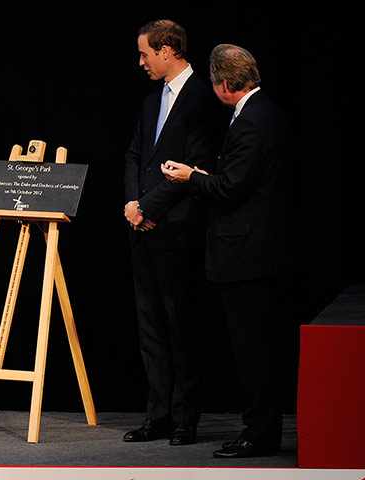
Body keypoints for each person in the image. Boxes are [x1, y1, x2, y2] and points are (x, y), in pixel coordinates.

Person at [162, 44, 292, 458]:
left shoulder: (253, 121)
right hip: (255, 251)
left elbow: (232, 187)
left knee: (253, 351)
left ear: (224, 84)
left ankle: (260, 434)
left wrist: (191, 177)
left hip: (248, 254)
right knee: (254, 348)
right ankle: (260, 429)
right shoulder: (262, 110)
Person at [122, 19, 221, 446]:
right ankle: (157, 414)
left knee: (182, 328)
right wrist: (132, 206)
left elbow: (195, 165)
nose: (141, 61)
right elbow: (134, 155)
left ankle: (185, 418)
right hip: (142, 229)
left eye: (146, 53)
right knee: (151, 329)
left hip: (178, 229)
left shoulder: (203, 98)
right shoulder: (150, 100)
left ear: (168, 50)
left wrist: (147, 206)